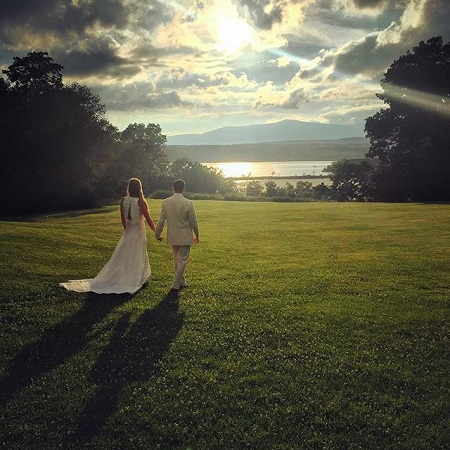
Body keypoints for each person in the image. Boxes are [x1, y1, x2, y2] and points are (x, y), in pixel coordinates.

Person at [60, 178, 162, 294]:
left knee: (125, 254)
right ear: (139, 188)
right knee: (136, 254)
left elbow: (123, 219)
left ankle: (129, 276)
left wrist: (127, 229)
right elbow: (148, 219)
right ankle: (135, 278)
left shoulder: (124, 200)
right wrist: (156, 233)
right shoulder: (140, 202)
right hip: (138, 232)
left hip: (129, 231)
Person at [155, 179, 199, 293]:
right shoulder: (188, 203)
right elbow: (193, 222)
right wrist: (197, 235)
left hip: (173, 235)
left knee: (177, 260)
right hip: (185, 235)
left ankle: (182, 282)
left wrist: (157, 233)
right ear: (184, 189)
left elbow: (161, 221)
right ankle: (175, 285)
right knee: (182, 261)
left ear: (173, 188)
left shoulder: (166, 202)